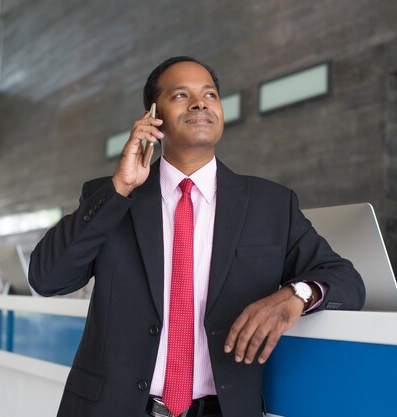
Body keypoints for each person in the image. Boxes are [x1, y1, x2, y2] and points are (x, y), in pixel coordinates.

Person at [29, 56, 365, 417]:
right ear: (152, 116)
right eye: (180, 95)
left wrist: (294, 295)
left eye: (210, 94)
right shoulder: (114, 198)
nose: (200, 103)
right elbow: (48, 279)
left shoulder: (270, 203)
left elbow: (346, 280)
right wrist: (119, 187)